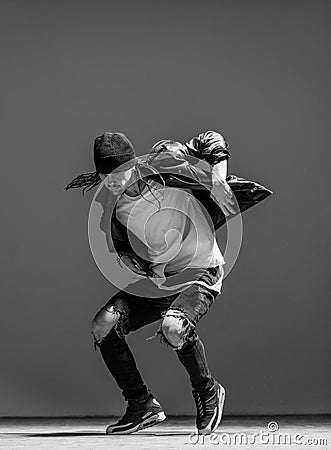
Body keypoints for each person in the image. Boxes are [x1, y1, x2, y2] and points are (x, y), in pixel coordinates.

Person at [65, 131, 272, 435]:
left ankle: (207, 390)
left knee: (174, 327)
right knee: (103, 325)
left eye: (118, 174)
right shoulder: (109, 207)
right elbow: (120, 244)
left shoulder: (167, 171)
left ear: (132, 166)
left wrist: (217, 154)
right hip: (161, 279)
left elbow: (219, 182)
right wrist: (126, 257)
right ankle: (141, 405)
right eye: (106, 177)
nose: (113, 183)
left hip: (201, 272)